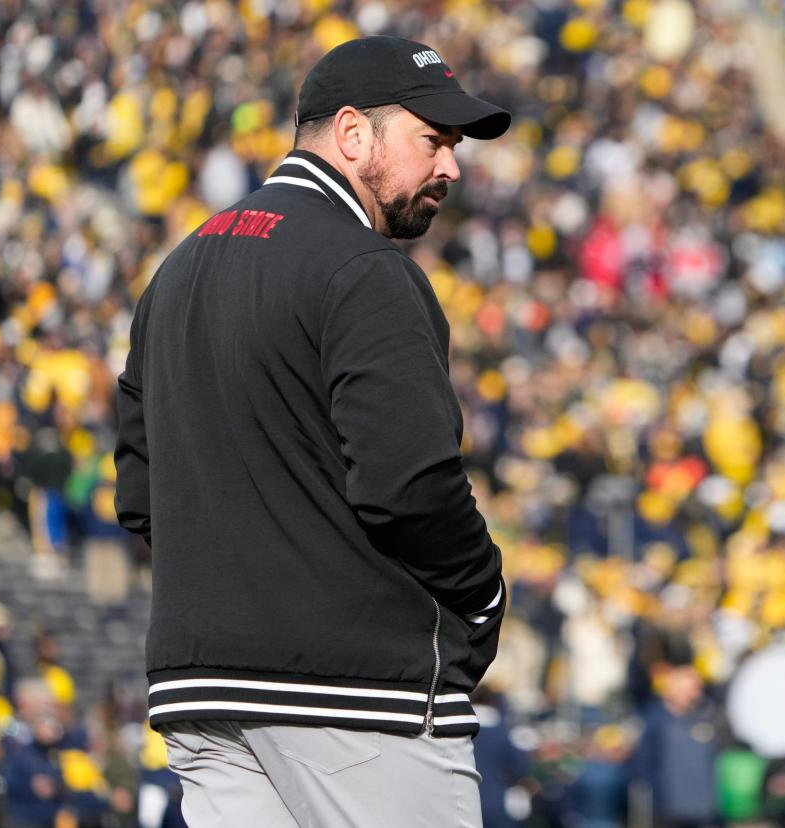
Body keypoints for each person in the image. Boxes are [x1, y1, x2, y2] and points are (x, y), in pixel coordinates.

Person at [114, 35, 511, 827]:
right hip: (357, 698)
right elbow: (410, 487)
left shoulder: (179, 269)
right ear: (354, 134)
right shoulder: (364, 269)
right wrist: (484, 596)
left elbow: (140, 491)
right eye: (433, 140)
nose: (451, 169)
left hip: (202, 692)